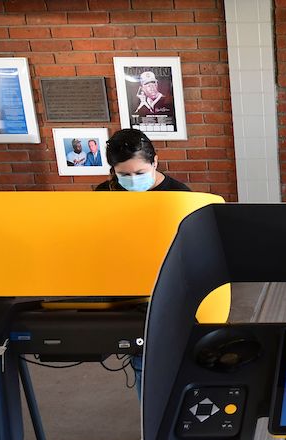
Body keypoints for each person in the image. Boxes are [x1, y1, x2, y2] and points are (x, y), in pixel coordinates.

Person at [95, 129, 190, 399]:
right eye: (123, 174)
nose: (132, 180)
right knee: (141, 359)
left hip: (168, 286)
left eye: (139, 172)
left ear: (155, 162)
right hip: (126, 290)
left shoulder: (178, 194)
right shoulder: (104, 194)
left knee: (174, 356)